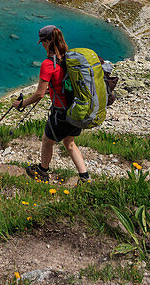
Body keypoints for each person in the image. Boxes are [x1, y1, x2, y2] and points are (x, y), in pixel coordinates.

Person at [13, 24, 91, 184]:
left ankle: (42, 171)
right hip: (77, 108)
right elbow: (63, 82)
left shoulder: (48, 64)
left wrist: (22, 104)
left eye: (43, 41)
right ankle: (85, 178)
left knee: (47, 140)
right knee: (69, 143)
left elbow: (39, 94)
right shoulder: (69, 59)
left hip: (61, 112)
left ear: (49, 41)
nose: (42, 44)